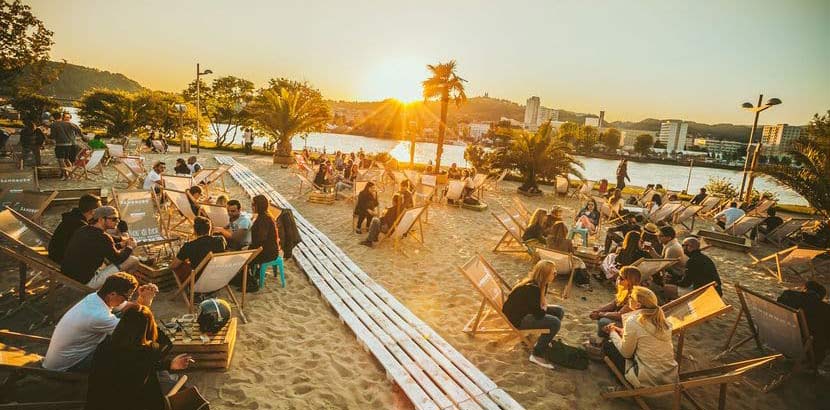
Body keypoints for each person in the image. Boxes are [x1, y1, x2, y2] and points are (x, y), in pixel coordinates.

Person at [85, 305, 193, 410]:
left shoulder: (104, 345)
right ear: (147, 328)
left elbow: (138, 366)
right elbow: (166, 344)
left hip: (98, 404)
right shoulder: (146, 351)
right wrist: (150, 321)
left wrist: (169, 365)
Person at [42, 273, 156, 372]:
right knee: (129, 351)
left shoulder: (97, 297)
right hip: (67, 366)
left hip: (61, 358)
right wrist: (147, 302)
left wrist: (142, 297)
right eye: (126, 297)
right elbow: (135, 329)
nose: (126, 300)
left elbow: (129, 308)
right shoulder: (99, 316)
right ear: (112, 294)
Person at [603, 286, 678, 388]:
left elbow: (626, 353)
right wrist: (619, 331)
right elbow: (645, 337)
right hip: (669, 378)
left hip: (647, 379)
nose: (629, 298)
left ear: (638, 305)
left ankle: (623, 384)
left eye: (631, 297)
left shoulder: (634, 320)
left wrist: (612, 332)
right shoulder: (663, 322)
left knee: (608, 344)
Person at [501, 260, 565, 369]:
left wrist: (543, 307)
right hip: (517, 319)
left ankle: (544, 340)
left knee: (559, 310)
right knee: (555, 322)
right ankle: (537, 354)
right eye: (553, 273)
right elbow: (539, 314)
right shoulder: (532, 289)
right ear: (545, 274)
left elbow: (540, 306)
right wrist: (544, 307)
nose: (555, 275)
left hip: (526, 312)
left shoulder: (541, 284)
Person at [61, 206, 140, 289]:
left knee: (105, 263)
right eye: (114, 219)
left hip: (68, 278)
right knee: (133, 260)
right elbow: (118, 259)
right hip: (86, 283)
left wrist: (121, 245)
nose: (118, 221)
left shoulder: (82, 229)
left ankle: (118, 287)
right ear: (101, 219)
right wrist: (130, 247)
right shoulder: (103, 237)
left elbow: (101, 248)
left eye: (118, 219)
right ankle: (123, 290)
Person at [778, 281, 829, 365]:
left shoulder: (787, 296)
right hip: (808, 350)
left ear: (805, 289)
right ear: (820, 297)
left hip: (780, 339)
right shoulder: (824, 309)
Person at [590, 266, 642, 341]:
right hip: (624, 321)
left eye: (621, 278)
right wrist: (597, 311)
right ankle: (604, 339)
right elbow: (614, 303)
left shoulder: (635, 296)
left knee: (604, 321)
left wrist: (600, 314)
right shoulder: (626, 291)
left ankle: (601, 340)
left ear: (629, 281)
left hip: (630, 327)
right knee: (601, 317)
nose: (618, 279)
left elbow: (621, 315)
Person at [48, 194, 102, 264]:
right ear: (92, 211)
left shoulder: (73, 218)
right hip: (62, 261)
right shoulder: (80, 225)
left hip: (56, 255)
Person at [249, 194, 281, 266]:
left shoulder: (264, 219)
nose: (251, 206)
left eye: (253, 204)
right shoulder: (263, 216)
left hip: (267, 253)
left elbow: (261, 239)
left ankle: (249, 275)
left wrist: (249, 248)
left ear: (259, 206)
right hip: (268, 250)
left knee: (243, 260)